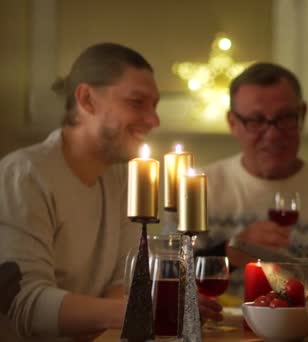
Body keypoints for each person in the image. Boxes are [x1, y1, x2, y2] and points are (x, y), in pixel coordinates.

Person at [0, 43, 221, 341]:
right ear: (87, 99)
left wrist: (152, 308)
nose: (154, 120)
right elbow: (22, 304)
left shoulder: (121, 177)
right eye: (137, 102)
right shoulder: (23, 174)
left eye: (154, 106)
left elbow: (122, 284)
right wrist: (150, 308)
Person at [197, 62, 308, 293]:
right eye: (256, 121)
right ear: (233, 124)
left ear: (302, 115)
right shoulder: (198, 189)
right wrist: (229, 254)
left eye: (284, 118)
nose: (273, 135)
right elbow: (170, 279)